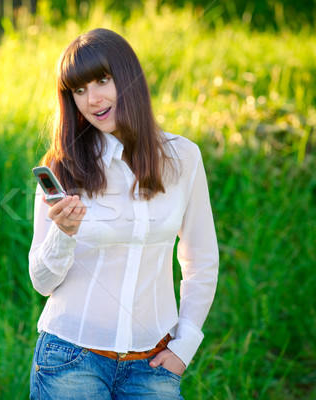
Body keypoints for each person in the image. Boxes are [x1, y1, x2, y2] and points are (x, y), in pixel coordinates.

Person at [28, 28, 219, 399]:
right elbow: (42, 282)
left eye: (102, 81)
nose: (92, 99)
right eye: (79, 90)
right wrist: (63, 233)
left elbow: (201, 259)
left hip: (153, 366)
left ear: (129, 79)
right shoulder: (64, 167)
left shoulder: (183, 158)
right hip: (70, 360)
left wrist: (185, 345)